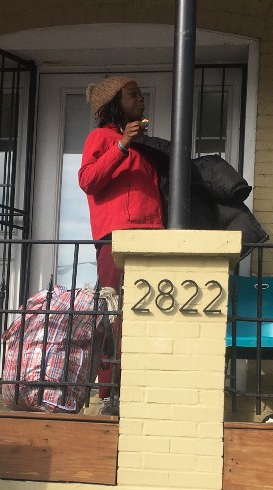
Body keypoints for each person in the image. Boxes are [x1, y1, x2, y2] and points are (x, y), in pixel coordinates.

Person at [78, 77, 164, 415]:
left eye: (142, 94)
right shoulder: (100, 138)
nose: (141, 99)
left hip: (151, 237)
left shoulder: (145, 146)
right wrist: (120, 147)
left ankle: (140, 386)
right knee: (113, 315)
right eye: (133, 95)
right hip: (116, 238)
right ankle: (107, 393)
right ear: (113, 102)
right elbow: (88, 181)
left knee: (146, 312)